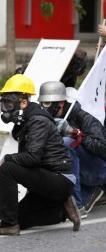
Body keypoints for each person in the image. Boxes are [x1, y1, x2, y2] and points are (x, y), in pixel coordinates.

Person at [0, 74, 79, 236]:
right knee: (20, 219)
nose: (6, 109)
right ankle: (62, 209)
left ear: (23, 103)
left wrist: (7, 159)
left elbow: (32, 158)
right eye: (4, 103)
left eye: (9, 103)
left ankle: (8, 225)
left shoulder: (37, 121)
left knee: (8, 168)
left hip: (59, 179)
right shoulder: (26, 121)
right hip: (51, 180)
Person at [37, 81, 106, 217]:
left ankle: (77, 206)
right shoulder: (48, 119)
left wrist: (76, 134)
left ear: (61, 103)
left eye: (48, 104)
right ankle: (88, 192)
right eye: (42, 104)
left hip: (99, 170)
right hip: (79, 174)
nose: (44, 109)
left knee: (67, 143)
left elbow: (103, 149)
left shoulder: (85, 116)